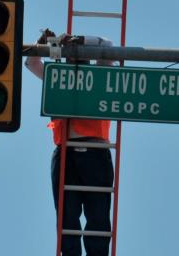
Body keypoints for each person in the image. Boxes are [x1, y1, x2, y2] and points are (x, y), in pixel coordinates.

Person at [25, 28, 115, 256]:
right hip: (65, 152)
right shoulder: (58, 77)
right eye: (70, 52)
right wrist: (43, 41)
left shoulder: (100, 75)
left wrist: (84, 39)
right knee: (66, 215)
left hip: (95, 151)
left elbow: (108, 44)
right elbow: (31, 62)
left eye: (78, 52)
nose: (73, 57)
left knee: (98, 215)